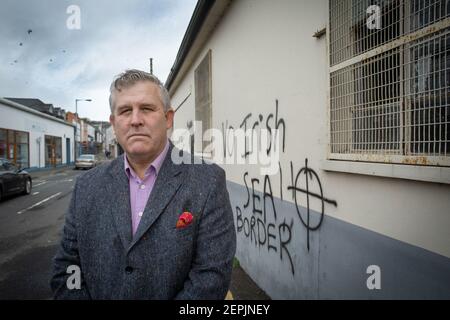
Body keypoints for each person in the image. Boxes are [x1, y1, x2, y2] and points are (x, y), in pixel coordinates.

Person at [50, 69, 236, 299]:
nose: (135, 120)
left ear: (168, 118)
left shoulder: (207, 181)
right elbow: (68, 268)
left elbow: (211, 276)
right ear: (114, 122)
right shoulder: (86, 186)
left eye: (147, 109)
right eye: (125, 111)